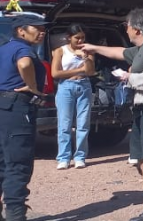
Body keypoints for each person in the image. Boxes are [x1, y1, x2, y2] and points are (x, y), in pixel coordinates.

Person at [83, 8, 143, 221]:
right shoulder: (141, 49)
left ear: (136, 28)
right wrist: (94, 48)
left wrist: (134, 77)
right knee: (142, 160)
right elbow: (119, 52)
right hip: (141, 109)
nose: (125, 29)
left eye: (126, 25)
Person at [0, 16, 48, 221]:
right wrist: (32, 86)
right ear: (21, 31)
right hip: (17, 107)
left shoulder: (3, 48)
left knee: (2, 161)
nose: (42, 31)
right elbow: (25, 64)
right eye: (37, 28)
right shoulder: (23, 49)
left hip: (3, 106)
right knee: (18, 164)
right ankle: (15, 215)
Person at [51, 24, 96, 169]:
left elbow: (90, 72)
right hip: (66, 88)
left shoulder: (88, 51)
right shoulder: (60, 51)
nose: (80, 40)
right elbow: (55, 73)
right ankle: (63, 157)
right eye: (77, 38)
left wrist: (85, 58)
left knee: (83, 123)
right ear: (69, 37)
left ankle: (80, 156)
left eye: (83, 37)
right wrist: (80, 69)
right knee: (64, 124)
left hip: (84, 86)